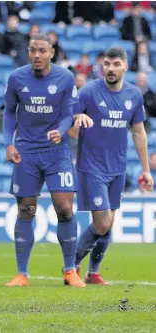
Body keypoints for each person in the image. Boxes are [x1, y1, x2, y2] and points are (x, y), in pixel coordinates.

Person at [3, 34, 93, 288]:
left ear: (52, 52)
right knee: (26, 210)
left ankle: (69, 270)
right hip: (26, 153)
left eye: (42, 51)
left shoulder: (65, 78)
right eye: (33, 50)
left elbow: (69, 114)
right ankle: (22, 273)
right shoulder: (16, 78)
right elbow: (10, 113)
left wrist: (61, 131)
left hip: (57, 151)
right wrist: (9, 143)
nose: (37, 55)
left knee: (64, 209)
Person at [70, 47, 154, 284]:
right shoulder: (88, 92)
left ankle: (92, 272)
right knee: (102, 222)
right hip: (91, 167)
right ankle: (71, 266)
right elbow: (68, 118)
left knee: (109, 223)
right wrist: (78, 118)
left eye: (116, 64)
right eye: (106, 64)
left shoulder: (134, 95)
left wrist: (146, 169)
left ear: (125, 67)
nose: (110, 68)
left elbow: (138, 133)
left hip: (117, 167)